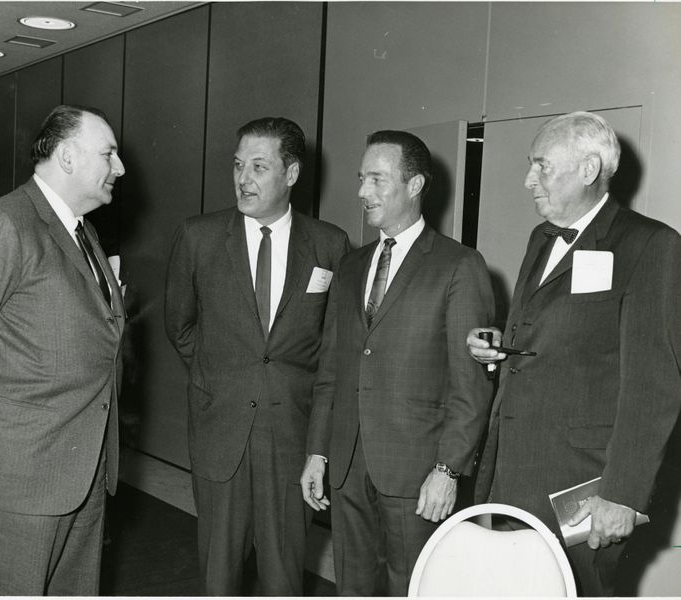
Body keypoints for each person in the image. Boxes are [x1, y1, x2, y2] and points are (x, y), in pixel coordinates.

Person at [467, 111, 681, 596]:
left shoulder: (650, 245)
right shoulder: (541, 239)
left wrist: (622, 495)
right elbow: (558, 337)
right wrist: (496, 345)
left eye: (541, 165)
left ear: (589, 169)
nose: (528, 180)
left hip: (585, 491)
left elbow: (654, 384)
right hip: (512, 474)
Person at [0, 105, 126, 595]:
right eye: (108, 154)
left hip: (80, 472)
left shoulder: (82, 231)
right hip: (14, 479)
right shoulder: (2, 226)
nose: (121, 168)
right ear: (67, 157)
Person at [301, 130, 495, 596]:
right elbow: (331, 372)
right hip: (348, 466)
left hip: (417, 472)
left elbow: (470, 385)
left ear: (415, 185)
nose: (362, 191)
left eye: (376, 179)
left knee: (414, 587)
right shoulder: (351, 266)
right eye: (361, 178)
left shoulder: (459, 265)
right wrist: (317, 452)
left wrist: (448, 470)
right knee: (354, 587)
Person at [164, 116, 349, 595]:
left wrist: (318, 446)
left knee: (284, 575)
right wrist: (221, 377)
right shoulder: (198, 237)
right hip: (220, 429)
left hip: (291, 436)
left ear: (292, 174)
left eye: (259, 167)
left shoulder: (329, 244)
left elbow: (331, 352)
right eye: (238, 165)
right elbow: (180, 326)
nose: (243, 178)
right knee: (218, 574)